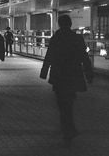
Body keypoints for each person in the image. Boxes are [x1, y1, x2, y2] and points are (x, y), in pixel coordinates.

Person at [40, 15, 93, 144]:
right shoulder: (77, 38)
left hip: (59, 74)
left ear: (59, 24)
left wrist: (44, 71)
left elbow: (49, 55)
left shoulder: (56, 38)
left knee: (62, 103)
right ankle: (69, 128)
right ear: (70, 24)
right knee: (68, 102)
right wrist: (89, 74)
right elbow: (84, 56)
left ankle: (67, 129)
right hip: (73, 74)